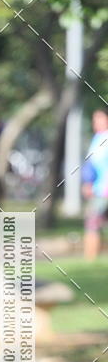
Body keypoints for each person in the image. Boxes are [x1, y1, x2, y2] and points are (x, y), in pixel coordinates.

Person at [82, 108, 108, 260]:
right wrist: (88, 183)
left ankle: (90, 258)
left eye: (100, 118)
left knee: (92, 224)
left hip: (103, 191)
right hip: (98, 190)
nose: (96, 122)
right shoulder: (98, 138)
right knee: (94, 223)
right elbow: (91, 165)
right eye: (94, 119)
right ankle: (91, 258)